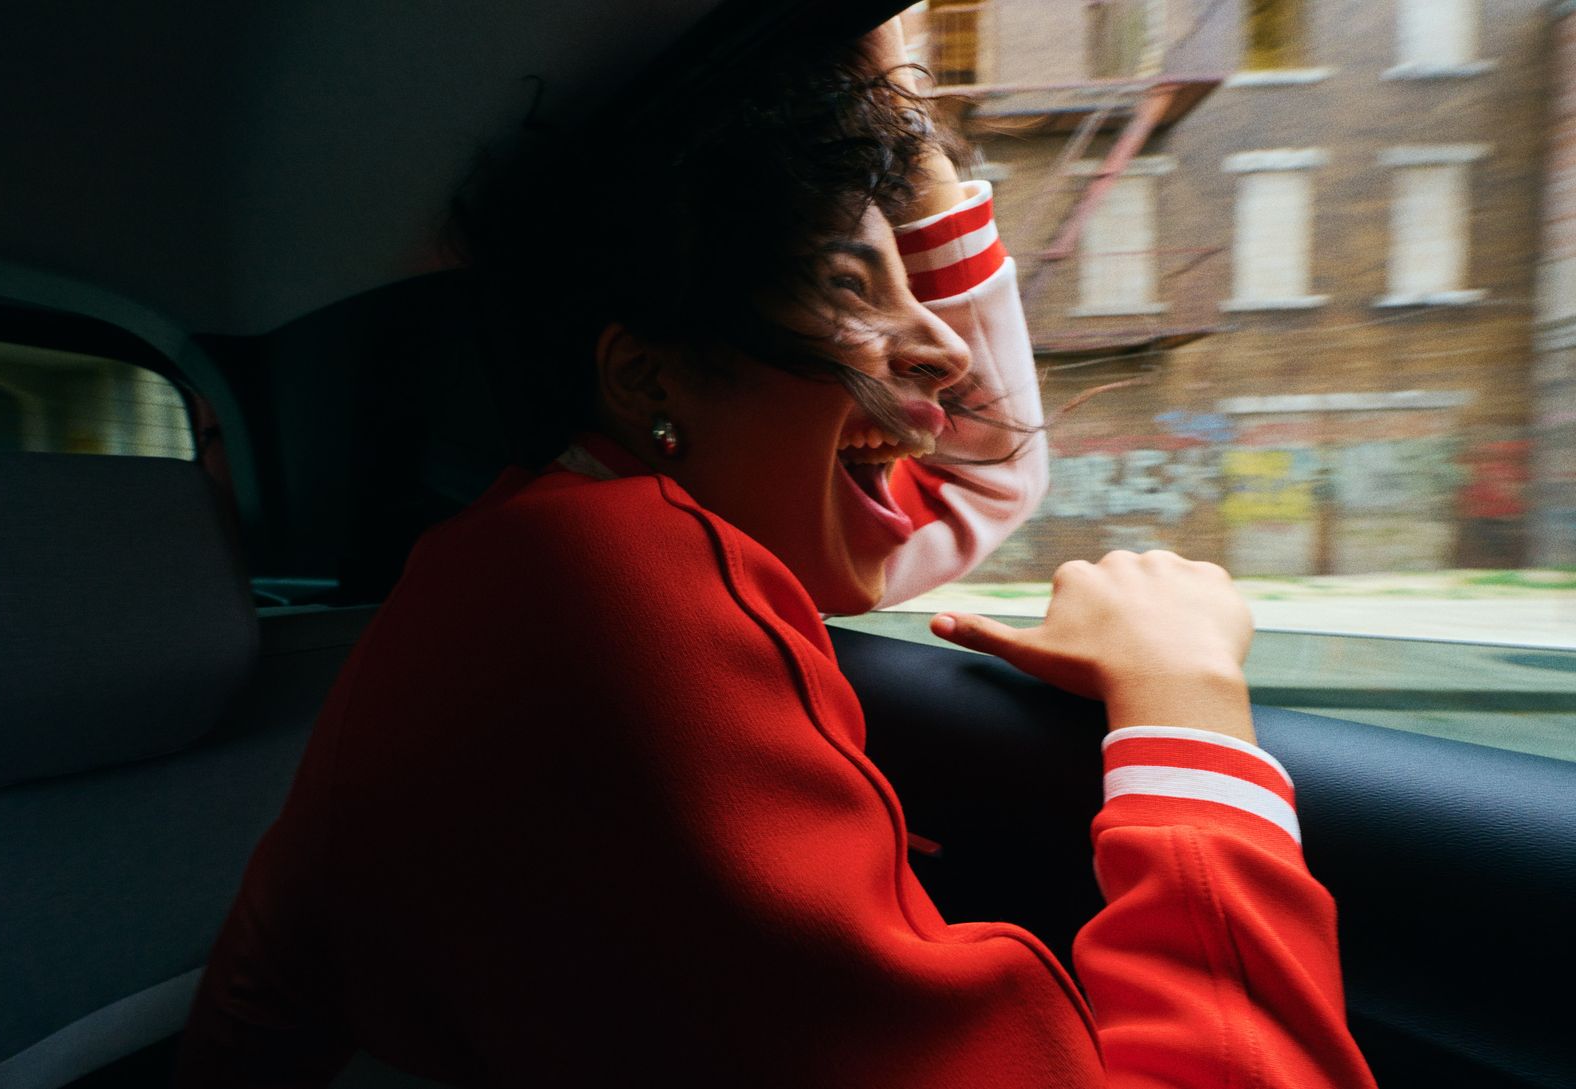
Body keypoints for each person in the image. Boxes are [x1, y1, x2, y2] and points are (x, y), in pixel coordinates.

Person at [177, 18, 1377, 1089]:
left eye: (918, 295)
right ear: (646, 374)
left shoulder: (502, 564)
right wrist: (1183, 703)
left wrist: (906, 142)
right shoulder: (623, 584)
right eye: (850, 288)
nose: (946, 357)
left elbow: (261, 995)